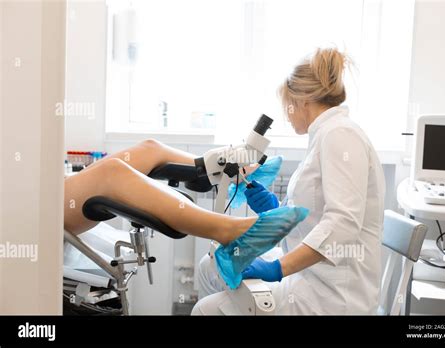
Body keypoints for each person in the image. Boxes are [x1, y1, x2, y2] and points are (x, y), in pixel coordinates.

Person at [193, 47, 386, 315]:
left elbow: (342, 224)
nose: (287, 112)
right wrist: (274, 209)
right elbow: (317, 214)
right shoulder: (326, 134)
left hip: (332, 296)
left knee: (206, 310)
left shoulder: (340, 135)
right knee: (209, 267)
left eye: (288, 104)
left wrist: (278, 268)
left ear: (304, 100)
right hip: (314, 276)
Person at [64, 139, 305, 248]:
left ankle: (226, 171)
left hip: (56, 186)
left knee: (151, 149)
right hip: (42, 207)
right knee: (112, 172)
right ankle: (229, 230)